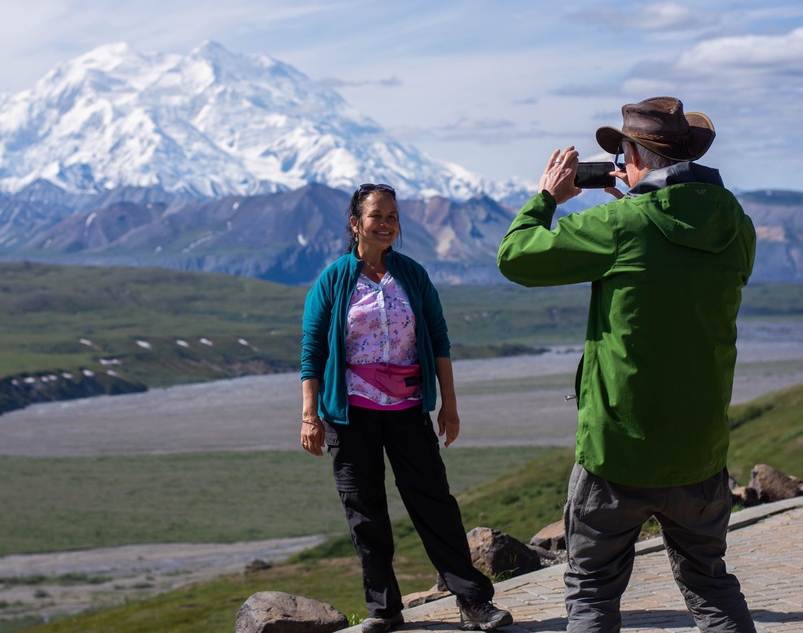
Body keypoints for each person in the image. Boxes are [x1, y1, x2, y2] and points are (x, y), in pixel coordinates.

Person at [497, 96, 757, 632]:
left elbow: (516, 256)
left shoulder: (620, 224)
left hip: (618, 451)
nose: (619, 162)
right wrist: (641, 204)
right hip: (700, 451)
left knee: (591, 593)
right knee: (710, 585)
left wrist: (547, 197)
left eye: (622, 151)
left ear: (636, 153)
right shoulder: (739, 225)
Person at [300, 183, 514, 632]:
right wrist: (310, 415)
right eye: (378, 216)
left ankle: (473, 602)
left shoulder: (412, 276)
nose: (388, 224)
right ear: (356, 224)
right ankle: (384, 611)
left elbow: (438, 339)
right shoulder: (333, 280)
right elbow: (312, 351)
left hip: (407, 408)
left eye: (394, 216)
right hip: (349, 413)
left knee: (434, 503)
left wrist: (449, 406)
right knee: (365, 512)